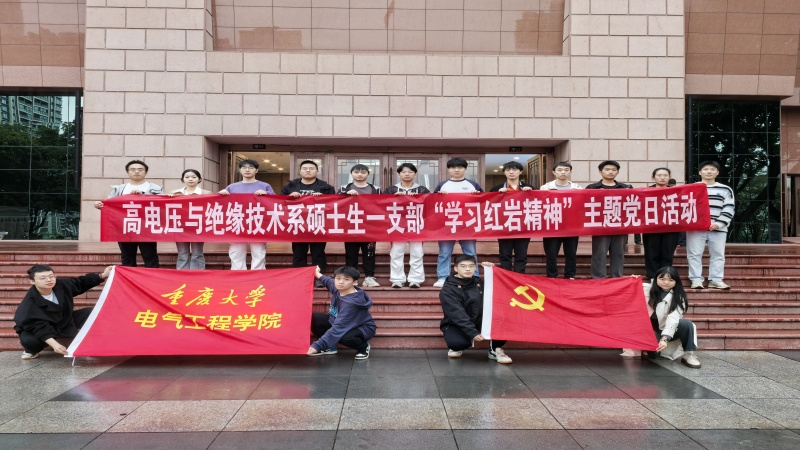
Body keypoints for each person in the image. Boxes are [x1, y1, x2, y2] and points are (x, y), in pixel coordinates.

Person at [14, 264, 113, 359]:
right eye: (43, 278)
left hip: (65, 321)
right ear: (32, 281)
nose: (49, 280)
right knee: (29, 341)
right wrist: (55, 345)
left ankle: (98, 342)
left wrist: (103, 275)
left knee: (91, 313)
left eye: (51, 276)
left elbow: (80, 283)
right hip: (43, 327)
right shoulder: (29, 305)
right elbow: (39, 327)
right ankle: (30, 351)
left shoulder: (61, 285)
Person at [621, 266, 701, 369]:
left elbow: (673, 319)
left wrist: (665, 338)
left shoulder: (679, 297)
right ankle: (647, 348)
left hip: (667, 329)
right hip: (648, 330)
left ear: (676, 281)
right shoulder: (645, 288)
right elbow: (625, 291)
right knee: (654, 355)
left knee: (686, 324)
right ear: (656, 278)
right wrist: (631, 280)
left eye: (670, 280)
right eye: (662, 279)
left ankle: (689, 354)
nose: (666, 282)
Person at [439, 256, 512, 364]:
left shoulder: (479, 282)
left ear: (475, 268)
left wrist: (492, 271)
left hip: (480, 320)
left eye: (471, 266)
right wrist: (472, 332)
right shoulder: (448, 289)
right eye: (463, 266)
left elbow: (498, 287)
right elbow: (457, 314)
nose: (468, 269)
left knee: (503, 319)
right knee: (457, 343)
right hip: (457, 323)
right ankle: (457, 347)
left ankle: (495, 349)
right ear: (456, 268)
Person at [94, 160, 163, 268]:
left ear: (146, 172)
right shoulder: (119, 189)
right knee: (127, 258)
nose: (136, 172)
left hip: (146, 227)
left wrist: (143, 196)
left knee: (150, 256)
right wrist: (100, 205)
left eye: (140, 169)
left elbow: (162, 204)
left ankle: (152, 278)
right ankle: (129, 278)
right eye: (133, 169)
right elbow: (109, 205)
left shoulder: (155, 188)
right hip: (125, 227)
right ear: (127, 172)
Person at [281, 160, 336, 287]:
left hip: (318, 224)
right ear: (300, 171)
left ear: (317, 171)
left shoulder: (326, 187)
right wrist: (289, 198)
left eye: (311, 168)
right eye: (305, 168)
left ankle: (319, 277)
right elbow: (280, 204)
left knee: (318, 253)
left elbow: (334, 204)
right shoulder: (290, 187)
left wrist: (323, 198)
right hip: (298, 224)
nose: (308, 170)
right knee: (298, 253)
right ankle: (300, 277)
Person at [307, 265, 376, 360]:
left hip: (362, 327)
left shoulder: (351, 303)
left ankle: (363, 347)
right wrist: (316, 272)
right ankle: (329, 347)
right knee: (313, 318)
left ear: (355, 282)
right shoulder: (339, 288)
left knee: (344, 336)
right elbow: (327, 280)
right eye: (338, 278)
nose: (341, 282)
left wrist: (317, 346)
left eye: (346, 279)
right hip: (339, 321)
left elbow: (338, 328)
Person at [433, 158, 483, 288]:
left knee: (470, 252)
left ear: (465, 169)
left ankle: (474, 277)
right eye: (453, 167)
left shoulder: (473, 185)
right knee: (444, 253)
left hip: (467, 225)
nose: (456, 170)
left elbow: (484, 203)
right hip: (447, 225)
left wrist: (477, 195)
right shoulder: (442, 185)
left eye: (460, 167)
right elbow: (433, 204)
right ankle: (443, 277)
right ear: (448, 169)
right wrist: (439, 196)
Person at [219, 159, 275, 270]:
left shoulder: (265, 186)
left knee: (258, 251)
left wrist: (267, 194)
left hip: (258, 221)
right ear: (240, 170)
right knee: (236, 251)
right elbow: (219, 203)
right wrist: (222, 194)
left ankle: (258, 274)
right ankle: (238, 274)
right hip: (237, 221)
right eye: (244, 167)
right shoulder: (232, 187)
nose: (247, 170)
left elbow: (275, 201)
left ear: (256, 170)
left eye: (251, 167)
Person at [686, 161, 735, 290]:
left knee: (718, 255)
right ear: (700, 172)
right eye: (706, 169)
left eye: (712, 169)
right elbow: (685, 207)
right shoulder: (691, 188)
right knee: (694, 254)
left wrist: (719, 223)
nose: (709, 171)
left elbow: (729, 207)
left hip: (718, 228)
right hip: (696, 228)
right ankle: (696, 280)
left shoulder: (725, 189)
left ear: (717, 172)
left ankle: (716, 280)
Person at [385, 163, 431, 288]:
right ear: (399, 174)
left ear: (415, 174)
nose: (407, 174)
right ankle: (397, 279)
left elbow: (430, 205)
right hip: (397, 225)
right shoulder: (391, 190)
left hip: (416, 225)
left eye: (410, 172)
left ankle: (415, 279)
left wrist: (419, 198)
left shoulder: (422, 190)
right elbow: (382, 205)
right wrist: (394, 198)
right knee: (396, 252)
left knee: (417, 252)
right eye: (404, 172)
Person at [585, 160, 632, 278]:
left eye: (613, 170)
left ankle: (617, 276)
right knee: (599, 252)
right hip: (600, 225)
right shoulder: (592, 188)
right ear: (600, 171)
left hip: (620, 225)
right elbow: (585, 204)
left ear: (617, 172)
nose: (610, 172)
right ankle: (598, 277)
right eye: (607, 169)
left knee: (618, 252)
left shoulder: (626, 188)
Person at [539, 161, 582, 279]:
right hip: (552, 226)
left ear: (570, 172)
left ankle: (570, 275)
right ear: (554, 172)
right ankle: (552, 276)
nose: (563, 172)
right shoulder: (545, 188)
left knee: (571, 253)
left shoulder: (578, 188)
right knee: (551, 253)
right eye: (560, 170)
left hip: (571, 226)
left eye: (566, 170)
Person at [340, 164, 381, 288]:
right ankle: (352, 278)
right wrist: (345, 196)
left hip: (370, 227)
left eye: (363, 172)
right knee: (351, 254)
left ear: (368, 174)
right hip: (350, 226)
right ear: (351, 173)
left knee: (369, 253)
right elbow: (337, 205)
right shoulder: (344, 188)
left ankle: (369, 277)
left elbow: (381, 205)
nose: (359, 174)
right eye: (356, 172)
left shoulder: (376, 189)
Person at [490, 161, 533, 273]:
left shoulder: (529, 188)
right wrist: (498, 195)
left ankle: (519, 277)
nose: (511, 172)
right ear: (504, 173)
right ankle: (506, 276)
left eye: (514, 169)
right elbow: (489, 206)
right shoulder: (496, 189)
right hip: (504, 226)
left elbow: (538, 205)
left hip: (523, 227)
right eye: (508, 170)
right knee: (505, 254)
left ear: (520, 172)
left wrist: (530, 193)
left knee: (521, 254)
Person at [642, 167, 681, 281]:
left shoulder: (676, 192)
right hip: (651, 227)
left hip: (670, 227)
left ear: (669, 177)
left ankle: (665, 275)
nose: (662, 178)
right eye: (659, 175)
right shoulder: (645, 192)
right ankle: (652, 275)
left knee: (667, 253)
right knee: (651, 252)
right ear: (653, 177)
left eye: (665, 175)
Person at [171, 169, 212, 270]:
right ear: (182, 179)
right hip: (180, 226)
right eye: (187, 177)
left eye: (193, 177)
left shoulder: (206, 193)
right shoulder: (174, 193)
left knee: (197, 253)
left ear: (199, 179)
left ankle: (197, 274)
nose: (190, 179)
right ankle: (182, 274)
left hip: (198, 226)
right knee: (182, 253)